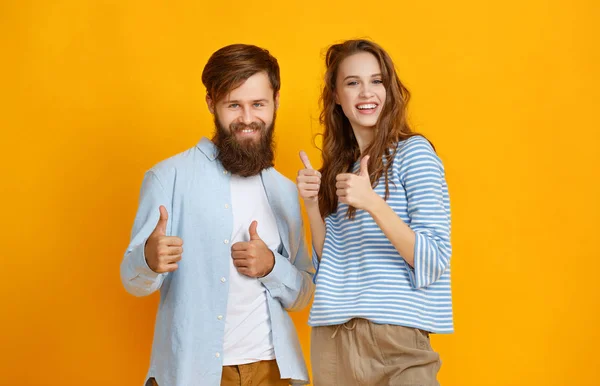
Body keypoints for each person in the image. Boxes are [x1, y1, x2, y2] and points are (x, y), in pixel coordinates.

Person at [121, 44, 315, 386]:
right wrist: (149, 260)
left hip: (273, 370)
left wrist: (272, 266)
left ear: (276, 102)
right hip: (190, 372)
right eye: (233, 105)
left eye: (258, 104)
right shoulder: (167, 177)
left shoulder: (285, 191)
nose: (247, 118)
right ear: (212, 103)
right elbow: (131, 280)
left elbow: (303, 293)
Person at [296, 39, 453, 386]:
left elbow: (433, 258)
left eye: (377, 80)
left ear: (390, 88)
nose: (366, 92)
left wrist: (373, 203)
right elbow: (331, 264)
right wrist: (310, 205)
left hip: (395, 336)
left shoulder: (415, 154)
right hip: (333, 337)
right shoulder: (342, 169)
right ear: (336, 95)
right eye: (352, 82)